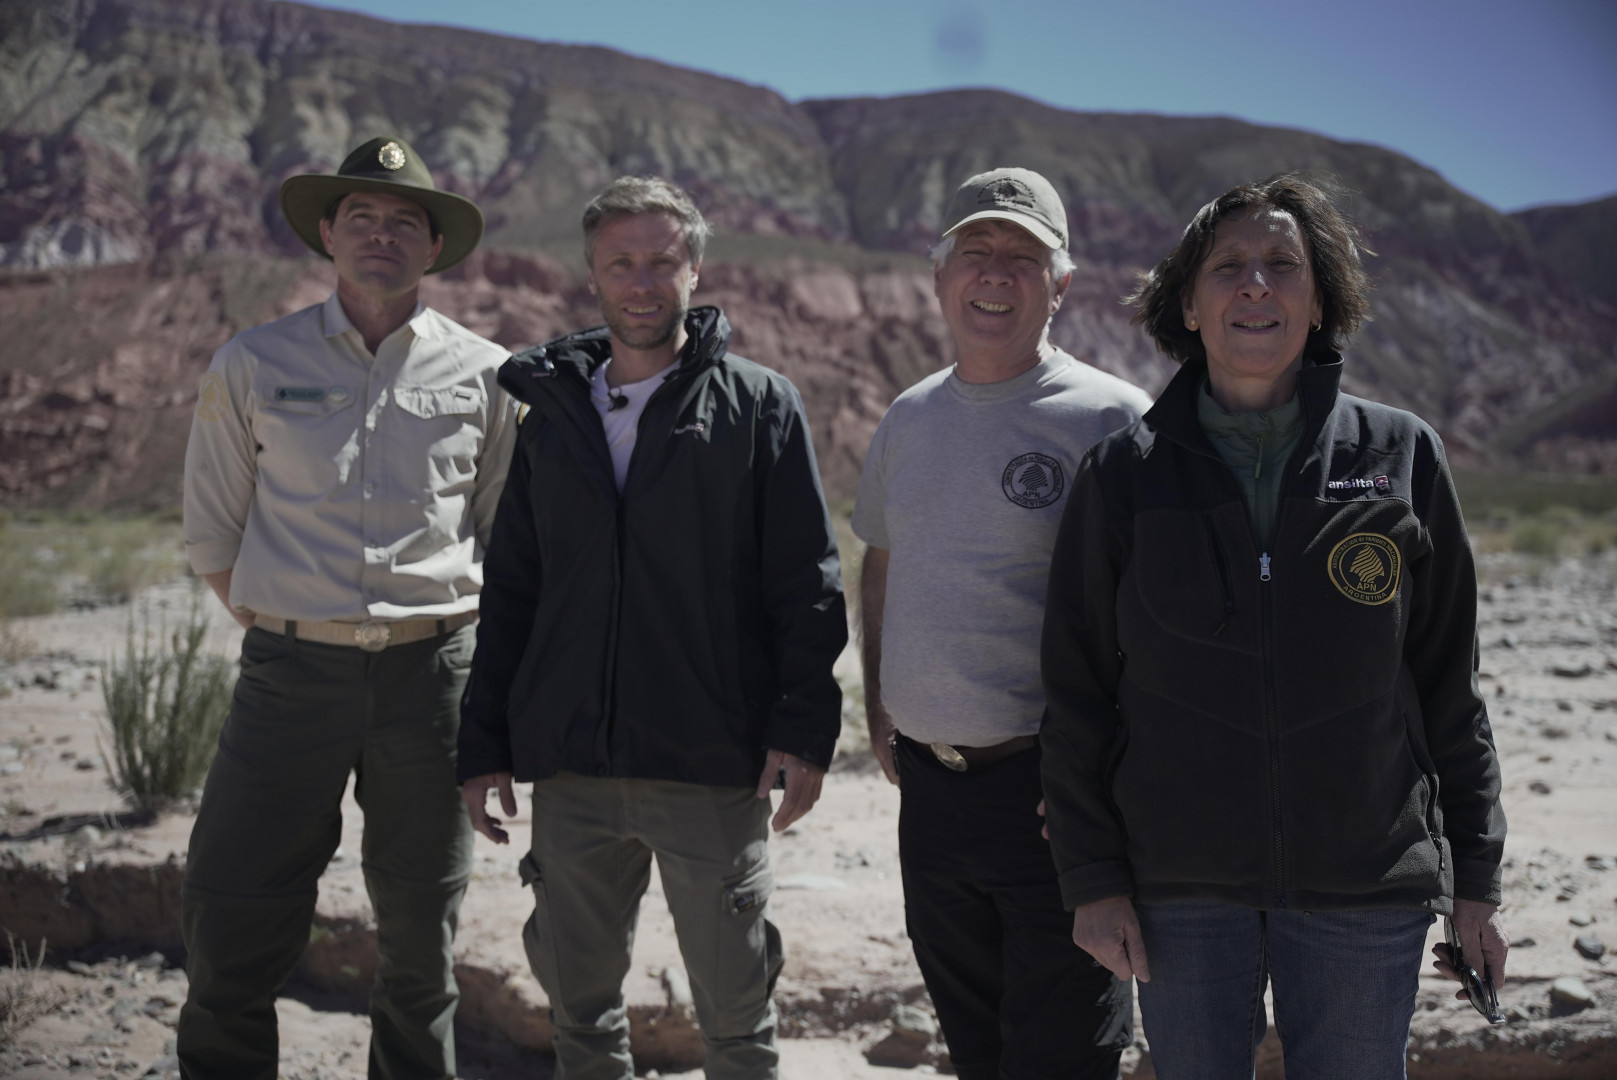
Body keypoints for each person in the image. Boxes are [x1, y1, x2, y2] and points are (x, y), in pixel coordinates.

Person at [1040, 172, 1508, 1079]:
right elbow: (1077, 692)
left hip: (1365, 886)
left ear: (1321, 297)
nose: (1255, 285)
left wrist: (1476, 883)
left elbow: (1450, 685)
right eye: (1228, 267)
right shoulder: (1122, 476)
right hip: (1178, 891)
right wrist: (1092, 881)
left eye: (1282, 265)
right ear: (1188, 299)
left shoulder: (1400, 456)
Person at [457, 176, 847, 1080]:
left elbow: (808, 585)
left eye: (660, 261)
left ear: (693, 269)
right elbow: (512, 589)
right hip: (571, 770)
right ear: (591, 276)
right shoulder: (551, 416)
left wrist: (802, 732)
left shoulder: (758, 405)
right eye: (620, 263)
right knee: (580, 1020)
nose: (641, 282)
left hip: (710, 765)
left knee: (737, 1023)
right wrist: (483, 745)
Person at [177, 135, 518, 1078]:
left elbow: (501, 533)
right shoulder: (251, 362)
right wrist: (295, 632)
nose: (381, 234)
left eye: (404, 220)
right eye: (360, 216)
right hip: (290, 678)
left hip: (432, 681)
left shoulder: (487, 374)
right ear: (326, 233)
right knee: (233, 909)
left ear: (433, 246)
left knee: (422, 935)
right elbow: (213, 535)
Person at [852, 167, 1151, 1080]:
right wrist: (875, 706)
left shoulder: (1111, 417)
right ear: (939, 277)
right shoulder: (908, 417)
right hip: (931, 798)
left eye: (1021, 257)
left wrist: (1110, 788)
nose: (994, 273)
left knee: (1063, 1054)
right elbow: (881, 560)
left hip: (1050, 797)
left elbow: (1154, 616)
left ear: (1060, 286)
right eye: (975, 252)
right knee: (975, 1049)